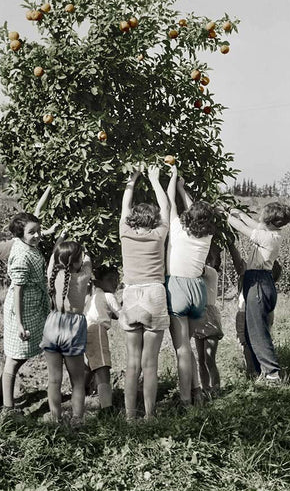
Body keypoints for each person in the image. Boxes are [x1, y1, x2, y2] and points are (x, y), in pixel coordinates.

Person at [118, 165, 171, 421]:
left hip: (131, 295)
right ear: (154, 220)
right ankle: (150, 415)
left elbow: (124, 206)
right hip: (154, 293)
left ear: (132, 219)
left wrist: (133, 179)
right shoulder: (159, 235)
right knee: (151, 363)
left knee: (132, 362)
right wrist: (154, 179)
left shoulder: (125, 233)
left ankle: (129, 416)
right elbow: (167, 209)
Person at [225, 202, 290, 383]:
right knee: (250, 332)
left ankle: (272, 373)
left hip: (258, 282)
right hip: (258, 281)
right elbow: (251, 223)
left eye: (263, 216)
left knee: (257, 332)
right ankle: (259, 372)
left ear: (270, 222)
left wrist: (223, 215)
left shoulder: (268, 238)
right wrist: (236, 211)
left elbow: (242, 227)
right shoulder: (270, 232)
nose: (259, 219)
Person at [164, 163, 216, 406]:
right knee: (189, 347)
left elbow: (171, 204)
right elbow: (193, 209)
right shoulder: (207, 235)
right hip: (198, 291)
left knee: (182, 349)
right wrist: (184, 189)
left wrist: (173, 179)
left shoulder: (176, 228)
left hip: (178, 288)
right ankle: (196, 391)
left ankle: (185, 400)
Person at [0, 212, 50, 414]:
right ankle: (7, 407)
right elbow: (18, 291)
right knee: (14, 358)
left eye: (39, 231)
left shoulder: (26, 245)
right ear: (20, 234)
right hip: (22, 309)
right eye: (32, 232)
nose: (37, 235)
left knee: (19, 356)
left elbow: (37, 213)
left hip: (32, 305)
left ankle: (1, 397)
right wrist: (20, 323)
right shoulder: (21, 254)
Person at [41, 240, 91, 424]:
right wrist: (84, 250)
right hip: (74, 329)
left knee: (54, 379)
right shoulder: (82, 277)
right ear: (78, 260)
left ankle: (56, 417)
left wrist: (60, 241)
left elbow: (53, 261)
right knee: (77, 380)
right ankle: (77, 418)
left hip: (53, 324)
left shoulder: (52, 275)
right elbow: (87, 262)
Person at [84, 264, 120, 413]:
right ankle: (107, 407)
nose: (115, 284)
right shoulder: (108, 296)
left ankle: (82, 392)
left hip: (84, 329)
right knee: (102, 366)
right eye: (112, 280)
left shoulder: (93, 297)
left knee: (89, 365)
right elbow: (121, 314)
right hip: (97, 329)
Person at [189, 245, 224, 399]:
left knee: (209, 358)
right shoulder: (200, 275)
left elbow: (196, 267)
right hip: (198, 316)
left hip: (209, 316)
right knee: (201, 359)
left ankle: (216, 387)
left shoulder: (211, 272)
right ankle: (205, 388)